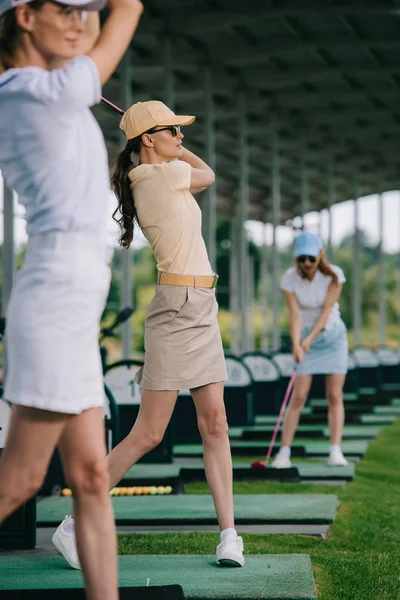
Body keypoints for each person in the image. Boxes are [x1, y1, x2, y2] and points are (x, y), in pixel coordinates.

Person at [53, 100, 245, 569]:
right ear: (147, 140)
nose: (182, 138)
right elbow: (209, 173)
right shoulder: (155, 177)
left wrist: (168, 141)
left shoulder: (163, 173)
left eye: (181, 131)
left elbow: (200, 172)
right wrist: (176, 151)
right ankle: (73, 523)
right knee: (149, 433)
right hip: (177, 310)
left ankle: (229, 536)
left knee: (214, 422)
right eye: (172, 131)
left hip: (201, 305)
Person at [0, 2, 143, 599]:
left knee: (88, 476)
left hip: (74, 301)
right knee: (21, 479)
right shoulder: (30, 91)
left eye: (87, 10)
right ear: (25, 16)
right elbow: (122, 20)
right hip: (58, 294)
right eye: (67, 8)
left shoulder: (44, 87)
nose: (80, 21)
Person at [272, 231, 349, 468]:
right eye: (301, 258)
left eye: (311, 258)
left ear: (320, 256)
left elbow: (326, 312)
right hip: (305, 337)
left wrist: (309, 340)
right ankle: (283, 453)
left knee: (334, 396)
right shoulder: (289, 279)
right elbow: (294, 315)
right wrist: (297, 343)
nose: (306, 263)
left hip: (332, 337)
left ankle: (335, 451)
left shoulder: (334, 276)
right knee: (299, 397)